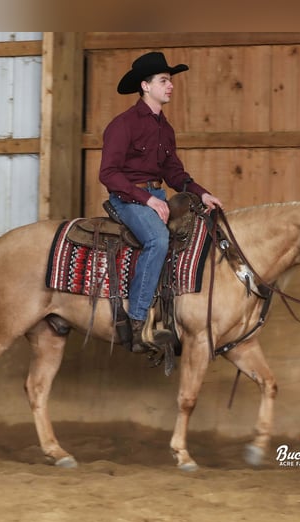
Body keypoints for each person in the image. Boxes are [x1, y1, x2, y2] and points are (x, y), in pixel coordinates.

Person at [99, 51, 223, 353]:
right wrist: (145, 199)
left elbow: (174, 173)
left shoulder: (164, 129)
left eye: (170, 81)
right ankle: (138, 321)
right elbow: (109, 174)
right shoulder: (123, 125)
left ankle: (173, 314)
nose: (171, 86)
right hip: (126, 198)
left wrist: (202, 193)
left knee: (196, 235)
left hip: (156, 197)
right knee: (158, 239)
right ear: (145, 86)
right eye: (164, 80)